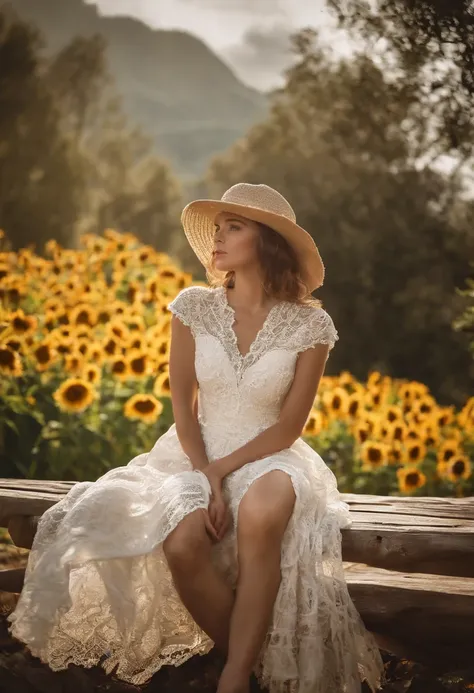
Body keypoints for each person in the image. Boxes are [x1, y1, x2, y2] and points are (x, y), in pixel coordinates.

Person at [8, 183, 385, 693]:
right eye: (218, 227)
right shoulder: (193, 307)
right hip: (194, 449)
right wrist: (204, 468)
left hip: (271, 453)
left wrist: (221, 473)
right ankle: (251, 663)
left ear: (268, 241)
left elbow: (288, 427)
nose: (218, 238)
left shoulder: (310, 326)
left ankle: (231, 679)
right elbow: (183, 408)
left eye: (235, 227)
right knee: (182, 542)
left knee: (261, 511)